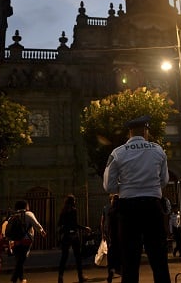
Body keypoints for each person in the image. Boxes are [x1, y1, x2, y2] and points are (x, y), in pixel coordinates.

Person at [103, 115, 171, 283]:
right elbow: (164, 180)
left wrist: (126, 187)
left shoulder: (117, 153)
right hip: (152, 207)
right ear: (146, 131)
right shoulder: (158, 150)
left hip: (128, 210)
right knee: (159, 259)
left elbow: (109, 186)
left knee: (129, 260)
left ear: (130, 133)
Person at [9, 200, 47, 283]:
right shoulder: (29, 214)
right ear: (26, 206)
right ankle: (14, 279)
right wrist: (42, 231)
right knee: (21, 259)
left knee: (19, 259)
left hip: (14, 240)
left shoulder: (13, 215)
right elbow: (36, 224)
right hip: (26, 240)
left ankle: (21, 278)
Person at [57, 194, 91, 283]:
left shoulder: (62, 211)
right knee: (78, 257)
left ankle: (60, 276)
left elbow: (59, 224)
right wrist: (85, 228)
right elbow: (75, 224)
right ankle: (80, 276)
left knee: (64, 257)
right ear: (73, 202)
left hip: (65, 235)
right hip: (73, 235)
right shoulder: (73, 210)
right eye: (74, 201)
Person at [101, 194, 121, 282]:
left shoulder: (110, 211)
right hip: (118, 237)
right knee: (118, 254)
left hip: (111, 236)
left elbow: (106, 224)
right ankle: (116, 270)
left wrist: (105, 234)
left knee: (111, 254)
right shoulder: (120, 211)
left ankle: (111, 271)